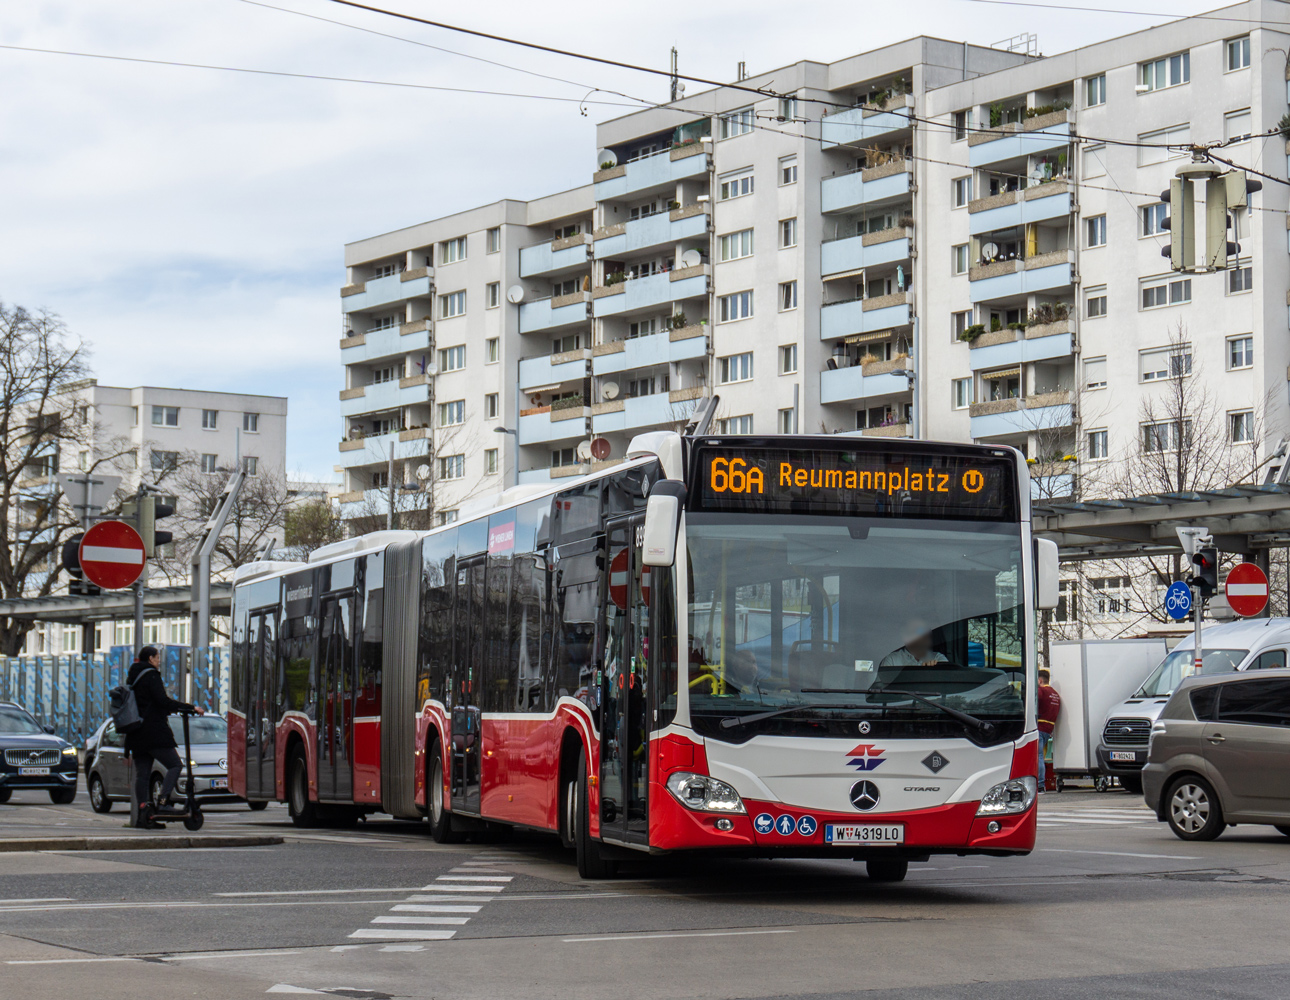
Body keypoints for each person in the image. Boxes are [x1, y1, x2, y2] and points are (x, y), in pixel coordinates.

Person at [124, 646, 204, 829]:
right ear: (151, 658)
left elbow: (150, 703)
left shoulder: (133, 677)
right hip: (154, 732)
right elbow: (162, 701)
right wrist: (190, 708)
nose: (159, 660)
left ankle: (144, 814)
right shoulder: (151, 675)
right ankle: (163, 800)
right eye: (157, 657)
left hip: (136, 733)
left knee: (142, 775)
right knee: (176, 764)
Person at [879, 619, 949, 669]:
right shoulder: (892, 660)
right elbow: (881, 688)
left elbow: (946, 683)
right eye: (918, 631)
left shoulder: (937, 658)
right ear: (905, 636)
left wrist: (933, 670)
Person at [1037, 668, 1061, 793]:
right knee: (1040, 755)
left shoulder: (1041, 691)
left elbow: (1034, 704)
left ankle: (1040, 785)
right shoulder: (1055, 694)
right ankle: (1041, 785)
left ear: (1039, 680)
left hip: (1039, 728)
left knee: (1037, 756)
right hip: (1048, 729)